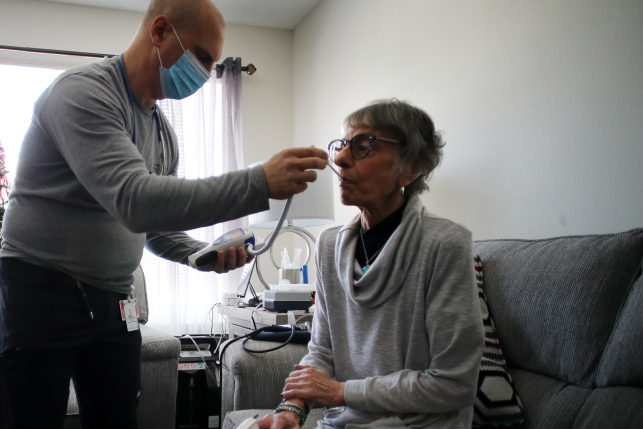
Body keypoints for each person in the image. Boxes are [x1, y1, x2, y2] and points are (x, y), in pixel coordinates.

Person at [0, 0, 327, 428]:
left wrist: (199, 254)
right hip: (42, 290)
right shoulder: (83, 93)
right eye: (202, 57)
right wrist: (258, 183)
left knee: (118, 418)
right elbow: (135, 200)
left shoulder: (162, 133)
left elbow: (153, 226)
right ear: (159, 31)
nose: (207, 74)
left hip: (116, 300)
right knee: (30, 417)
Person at [257, 99, 484, 429]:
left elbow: (455, 384)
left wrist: (341, 393)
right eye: (342, 145)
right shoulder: (329, 244)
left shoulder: (444, 245)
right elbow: (322, 351)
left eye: (363, 146)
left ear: (411, 167)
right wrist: (293, 410)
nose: (339, 159)